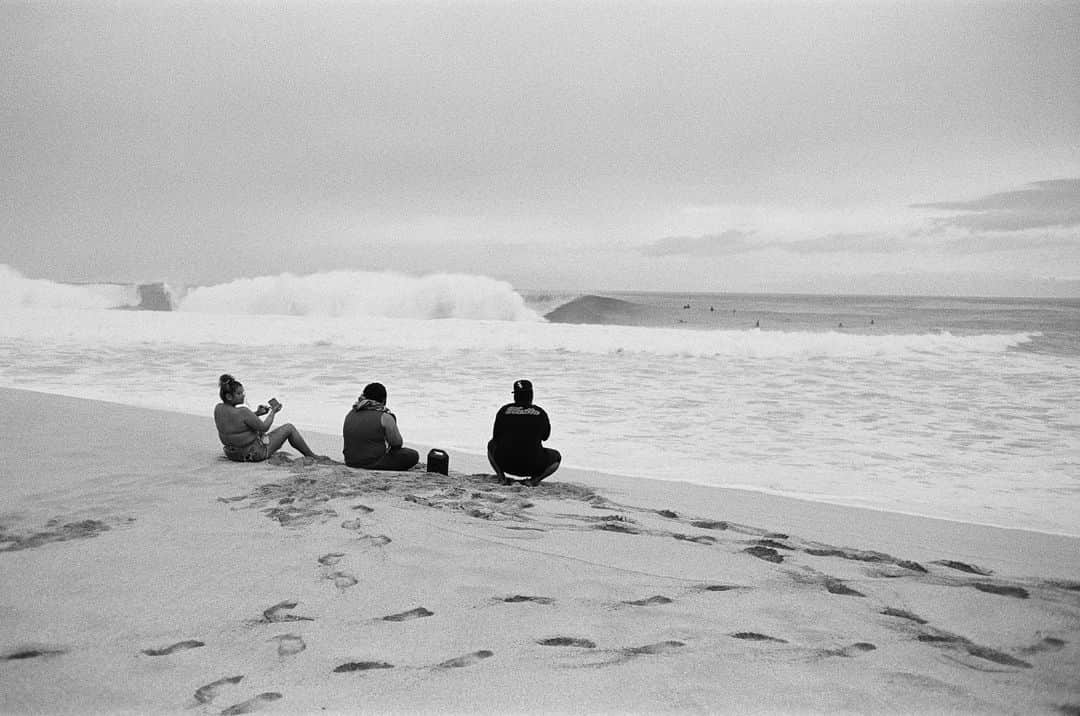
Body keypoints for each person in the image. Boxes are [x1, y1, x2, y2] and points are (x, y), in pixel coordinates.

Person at [214, 374, 320, 462]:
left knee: (257, 434)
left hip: (232, 454)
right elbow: (264, 427)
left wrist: (257, 413)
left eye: (243, 392)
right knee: (289, 428)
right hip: (252, 454)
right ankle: (311, 455)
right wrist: (273, 412)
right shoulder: (243, 411)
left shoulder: (218, 409)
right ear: (229, 396)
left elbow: (238, 423)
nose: (243, 396)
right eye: (239, 393)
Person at [488, 379, 561, 486]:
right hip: (533, 465)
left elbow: (496, 437)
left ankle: (501, 477)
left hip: (506, 463)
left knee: (491, 444)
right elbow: (545, 437)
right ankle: (533, 481)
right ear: (531, 395)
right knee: (557, 457)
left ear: (515, 396)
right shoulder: (540, 413)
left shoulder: (504, 410)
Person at [342, 382, 419, 470]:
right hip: (372, 462)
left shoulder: (351, 413)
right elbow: (397, 443)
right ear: (383, 400)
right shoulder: (385, 417)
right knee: (412, 455)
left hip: (350, 461)